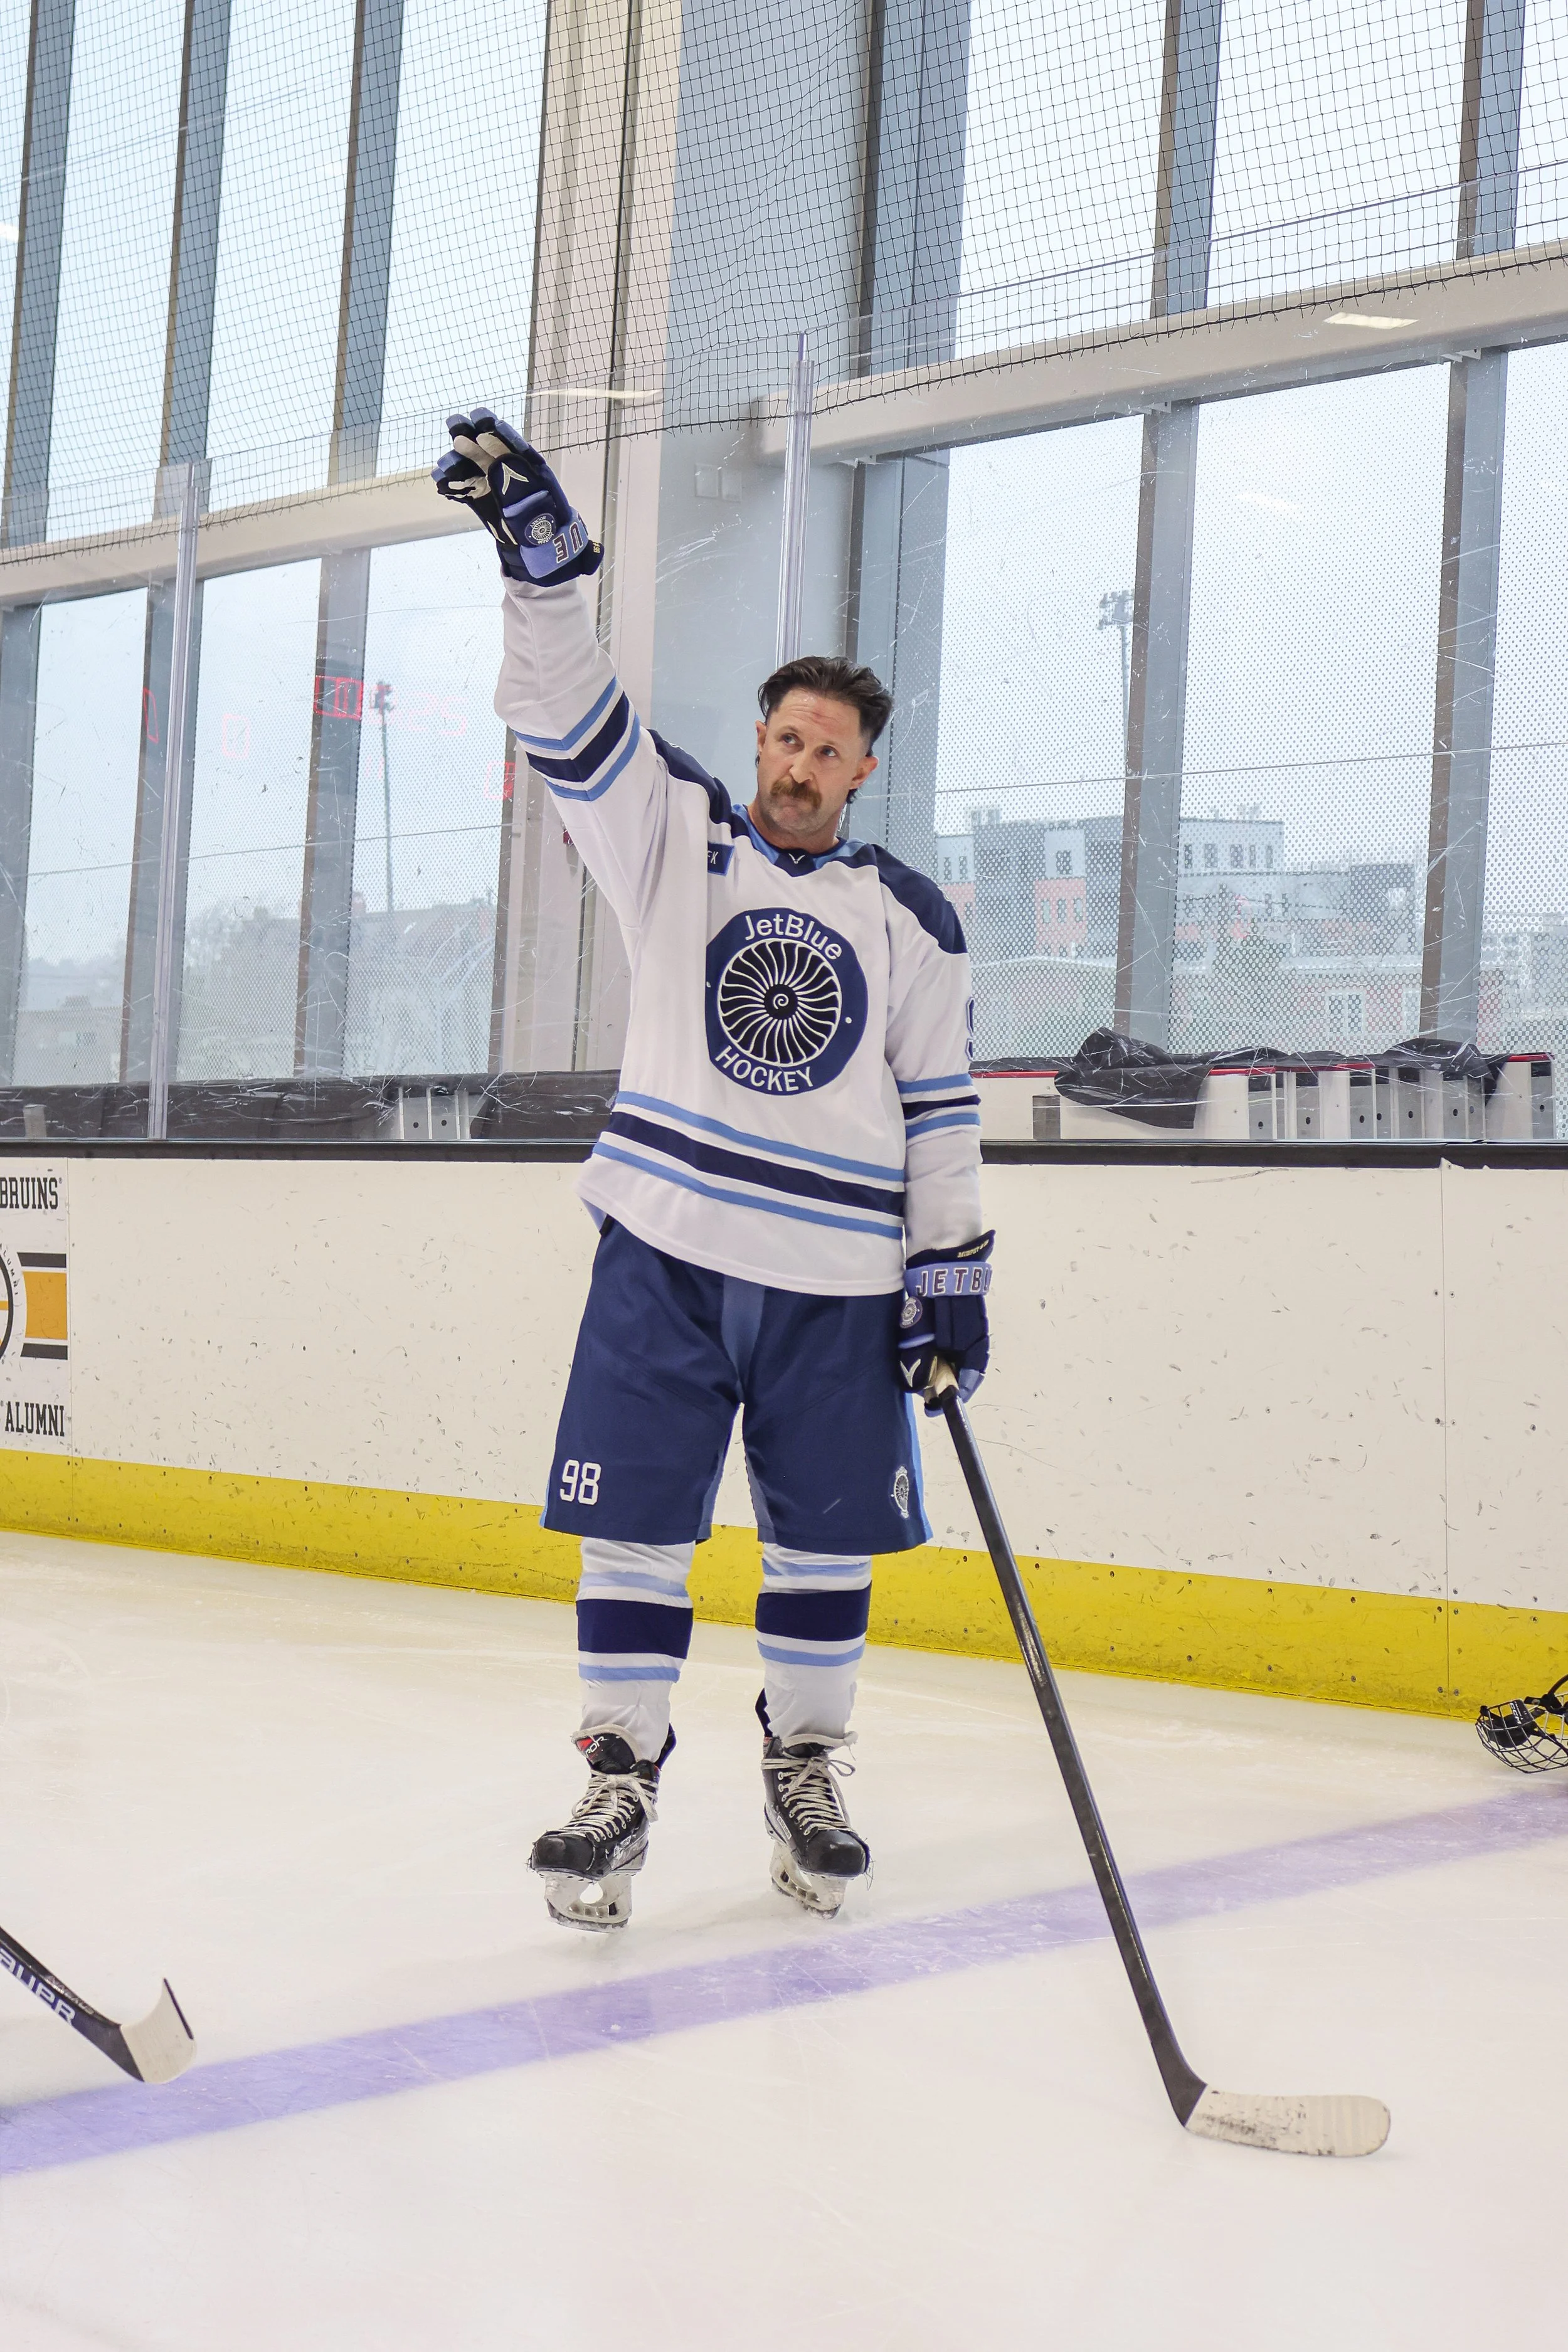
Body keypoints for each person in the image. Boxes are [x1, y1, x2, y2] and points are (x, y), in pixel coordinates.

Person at [435, 412, 992, 1929]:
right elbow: (566, 718)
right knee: (635, 1526)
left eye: (828, 748)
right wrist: (542, 576)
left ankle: (804, 1771)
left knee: (821, 1542)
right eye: (783, 738)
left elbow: (939, 1110)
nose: (800, 764)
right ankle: (617, 1776)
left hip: (832, 1282)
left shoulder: (913, 922)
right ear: (756, 742)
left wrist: (948, 1266)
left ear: (865, 766)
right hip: (666, 1248)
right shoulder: (673, 841)